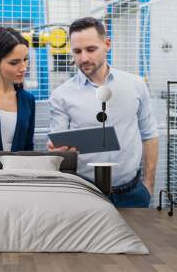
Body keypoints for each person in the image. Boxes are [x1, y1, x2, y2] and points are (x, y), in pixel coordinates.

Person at [48, 17, 159, 208]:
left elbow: (149, 134)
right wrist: (61, 152)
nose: (83, 58)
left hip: (132, 193)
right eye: (77, 51)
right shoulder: (61, 96)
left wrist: (148, 185)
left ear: (107, 44)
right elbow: (59, 149)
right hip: (85, 195)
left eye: (91, 49)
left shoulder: (135, 85)